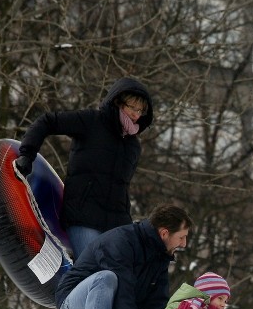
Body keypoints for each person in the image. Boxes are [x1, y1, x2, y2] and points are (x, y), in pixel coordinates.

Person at [14, 77, 154, 258]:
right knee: (93, 271)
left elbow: (122, 186)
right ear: (118, 102)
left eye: (140, 110)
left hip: (117, 222)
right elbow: (47, 121)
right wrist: (27, 154)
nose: (136, 114)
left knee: (119, 277)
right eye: (132, 107)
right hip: (82, 216)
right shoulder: (92, 121)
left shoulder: (133, 146)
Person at [55, 204, 192, 309]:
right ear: (164, 233)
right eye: (181, 237)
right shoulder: (121, 242)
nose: (184, 244)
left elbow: (158, 304)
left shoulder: (161, 255)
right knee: (106, 278)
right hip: (75, 305)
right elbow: (123, 291)